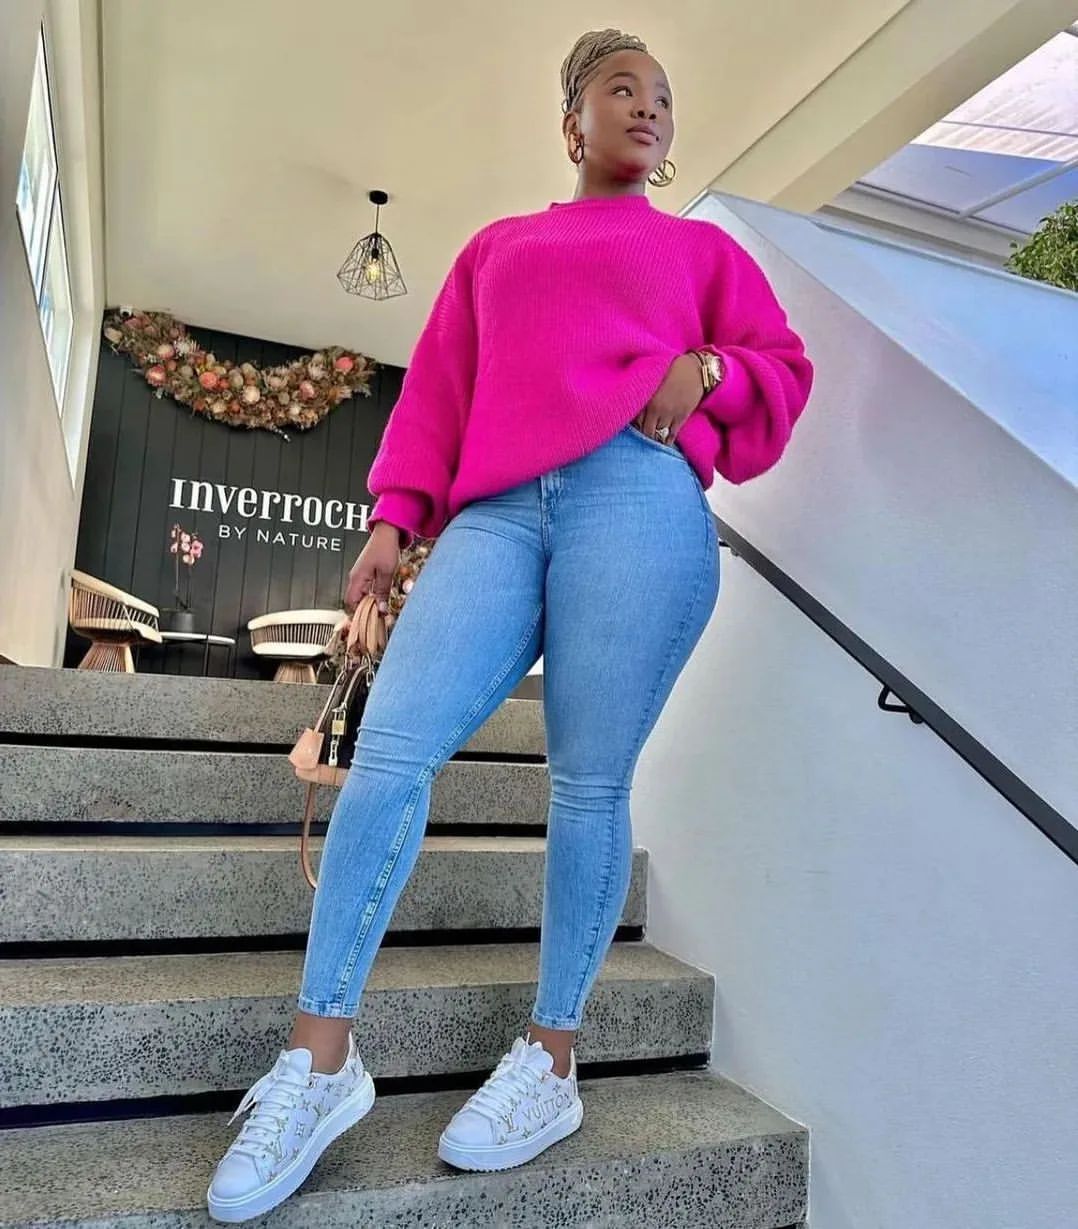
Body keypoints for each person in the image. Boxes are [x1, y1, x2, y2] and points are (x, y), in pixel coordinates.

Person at [207, 26, 813, 1223]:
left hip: (635, 496)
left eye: (661, 95)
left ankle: (551, 1057)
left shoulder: (699, 251)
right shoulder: (499, 248)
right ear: (571, 122)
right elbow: (438, 391)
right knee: (392, 748)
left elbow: (779, 366)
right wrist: (393, 519)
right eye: (619, 89)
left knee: (587, 782)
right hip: (492, 512)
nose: (646, 107)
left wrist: (707, 372)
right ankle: (319, 1060)